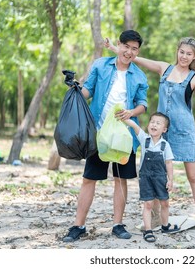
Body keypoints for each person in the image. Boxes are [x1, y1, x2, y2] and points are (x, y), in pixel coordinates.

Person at [105, 36, 195, 234]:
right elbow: (135, 58)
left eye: (189, 54)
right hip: (160, 131)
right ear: (177, 51)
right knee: (156, 173)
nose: (184, 56)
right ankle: (154, 217)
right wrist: (114, 48)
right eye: (182, 52)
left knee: (194, 177)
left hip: (185, 131)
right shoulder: (165, 68)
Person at [63, 30, 149, 242]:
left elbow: (143, 104)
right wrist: (74, 87)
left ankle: (118, 225)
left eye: (134, 49)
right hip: (99, 134)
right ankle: (78, 225)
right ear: (119, 45)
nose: (129, 52)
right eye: (126, 46)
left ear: (137, 51)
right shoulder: (101, 65)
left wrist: (131, 112)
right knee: (89, 179)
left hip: (123, 136)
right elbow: (87, 91)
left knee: (120, 180)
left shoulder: (139, 75)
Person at [122, 112, 180, 242]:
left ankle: (165, 226)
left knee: (164, 202)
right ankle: (148, 230)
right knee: (148, 204)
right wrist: (124, 117)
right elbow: (134, 126)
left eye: (158, 123)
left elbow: (169, 163)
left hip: (160, 178)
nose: (154, 124)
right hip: (146, 178)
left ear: (164, 129)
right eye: (152, 122)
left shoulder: (165, 145)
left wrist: (171, 180)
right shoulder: (144, 139)